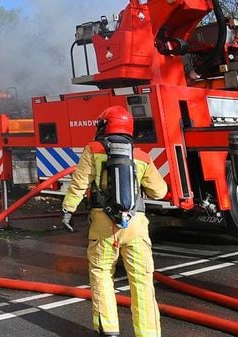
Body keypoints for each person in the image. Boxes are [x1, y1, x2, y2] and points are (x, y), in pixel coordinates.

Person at [61, 105, 168, 337]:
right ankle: (148, 333)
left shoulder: (93, 149)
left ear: (104, 126)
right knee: (142, 282)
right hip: (136, 227)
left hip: (103, 226)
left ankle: (108, 330)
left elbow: (79, 184)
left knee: (101, 276)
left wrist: (68, 209)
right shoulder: (141, 155)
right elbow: (160, 192)